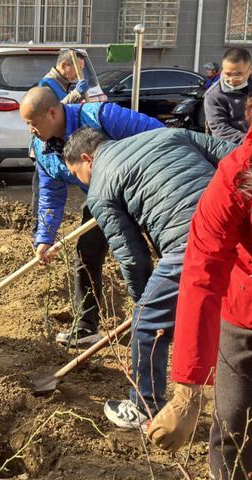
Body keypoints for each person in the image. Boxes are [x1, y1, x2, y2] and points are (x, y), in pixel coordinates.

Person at [62, 127, 235, 430]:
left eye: (78, 175)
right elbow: (233, 157)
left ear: (87, 159)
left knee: (146, 323)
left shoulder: (101, 187)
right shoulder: (167, 134)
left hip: (193, 241)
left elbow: (133, 257)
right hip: (237, 223)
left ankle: (144, 405)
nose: (82, 182)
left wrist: (144, 302)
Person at [147, 111, 252, 478]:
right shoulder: (235, 178)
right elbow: (202, 275)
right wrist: (187, 394)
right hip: (244, 310)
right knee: (231, 426)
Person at [20, 87, 163, 348]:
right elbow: (50, 193)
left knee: (156, 255)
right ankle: (86, 327)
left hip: (146, 192)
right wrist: (45, 237)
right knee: (87, 253)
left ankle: (153, 326)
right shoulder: (42, 148)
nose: (30, 129)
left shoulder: (102, 117)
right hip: (102, 200)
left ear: (52, 113)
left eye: (32, 123)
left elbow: (159, 135)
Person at [29, 49, 89, 228]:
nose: (79, 74)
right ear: (64, 65)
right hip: (44, 146)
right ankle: (38, 228)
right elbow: (51, 112)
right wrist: (76, 95)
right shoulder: (47, 84)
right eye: (77, 68)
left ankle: (43, 227)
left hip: (56, 144)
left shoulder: (61, 85)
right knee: (42, 190)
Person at [204, 47, 251, 143]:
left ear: (250, 70)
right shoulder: (214, 94)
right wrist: (248, 142)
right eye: (228, 74)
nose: (232, 79)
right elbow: (220, 129)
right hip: (230, 146)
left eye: (238, 75)